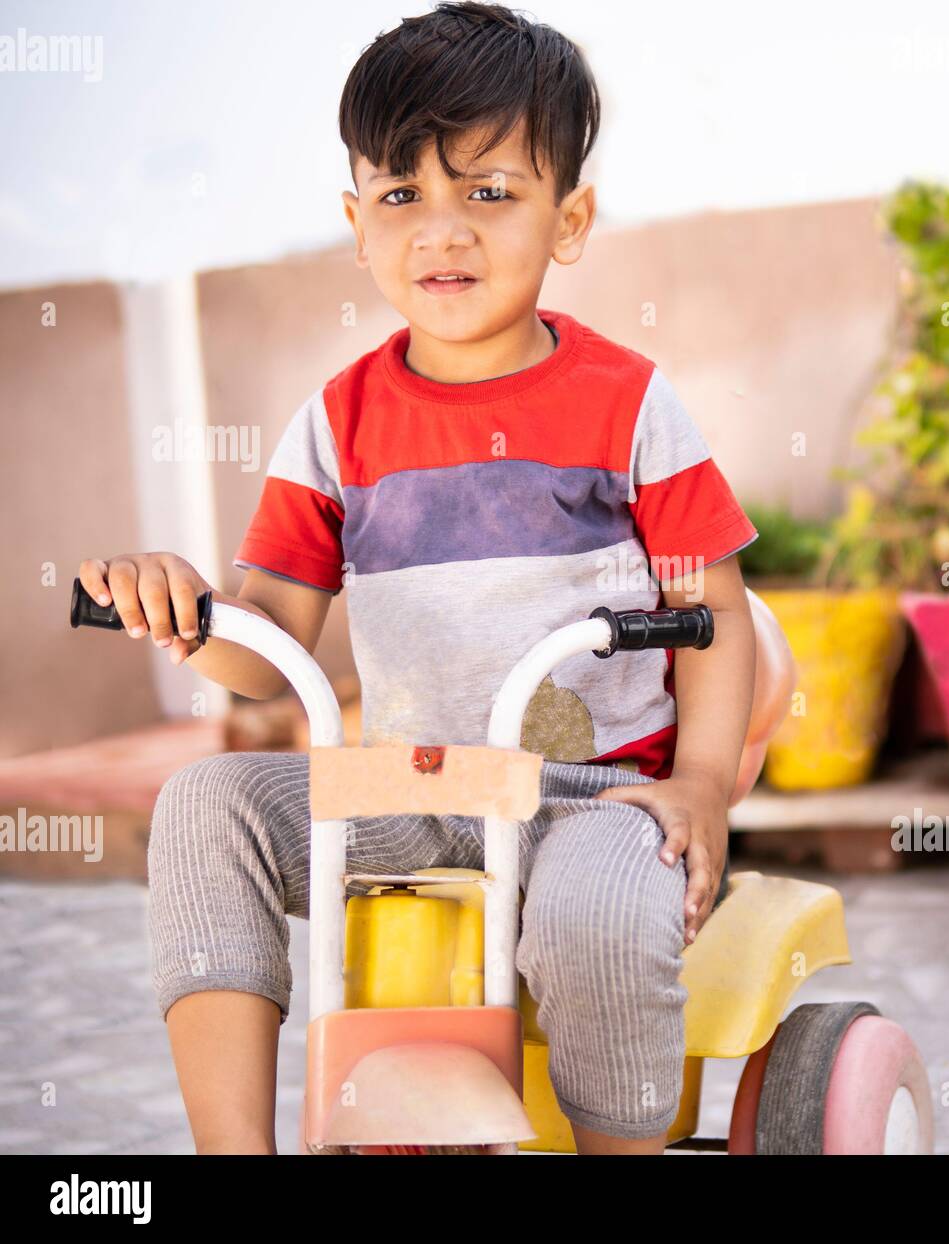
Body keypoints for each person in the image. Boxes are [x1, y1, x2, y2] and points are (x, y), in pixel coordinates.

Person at [78, 2, 758, 1155]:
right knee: (205, 805)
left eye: (487, 191)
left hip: (590, 797)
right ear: (356, 223)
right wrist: (186, 611)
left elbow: (720, 617)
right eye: (401, 195)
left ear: (569, 217)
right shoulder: (335, 424)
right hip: (412, 794)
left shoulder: (631, 403)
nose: (440, 231)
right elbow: (264, 652)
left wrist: (700, 785)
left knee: (596, 913)